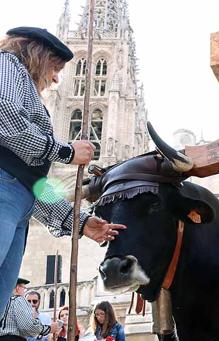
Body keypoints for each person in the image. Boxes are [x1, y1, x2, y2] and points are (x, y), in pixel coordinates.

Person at [0, 26, 127, 313]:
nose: (57, 78)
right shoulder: (7, 64)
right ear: (37, 54)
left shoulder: (25, 87)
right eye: (55, 67)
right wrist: (65, 151)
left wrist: (79, 221)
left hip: (17, 200)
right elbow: (3, 113)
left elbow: (33, 186)